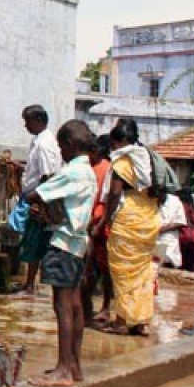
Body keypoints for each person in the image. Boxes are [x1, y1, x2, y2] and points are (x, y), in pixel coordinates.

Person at [24, 120, 98, 387]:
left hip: (64, 243)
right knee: (75, 303)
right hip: (78, 243)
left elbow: (35, 195)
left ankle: (63, 368)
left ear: (69, 145)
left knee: (62, 305)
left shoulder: (73, 172)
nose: (60, 153)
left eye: (61, 147)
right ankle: (74, 365)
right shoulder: (88, 170)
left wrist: (38, 201)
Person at [100, 118, 159, 336]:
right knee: (142, 273)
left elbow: (115, 193)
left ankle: (122, 321)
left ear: (119, 141)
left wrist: (106, 218)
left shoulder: (123, 162)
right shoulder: (149, 159)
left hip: (129, 218)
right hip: (149, 217)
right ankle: (141, 322)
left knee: (123, 272)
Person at [16, 105, 63, 296]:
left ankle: (30, 284)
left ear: (37, 120)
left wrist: (39, 202)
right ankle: (29, 282)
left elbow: (47, 175)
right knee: (32, 239)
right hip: (33, 194)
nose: (25, 125)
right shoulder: (39, 141)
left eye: (27, 121)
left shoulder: (44, 144)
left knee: (35, 241)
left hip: (38, 197)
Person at [82, 134, 114, 326]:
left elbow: (105, 200)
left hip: (99, 225)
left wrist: (96, 223)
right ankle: (93, 307)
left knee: (98, 269)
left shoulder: (106, 169)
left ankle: (103, 308)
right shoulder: (94, 168)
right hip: (94, 223)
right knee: (94, 269)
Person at [153, 193, 185, 272]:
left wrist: (163, 229)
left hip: (169, 237)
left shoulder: (175, 201)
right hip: (151, 237)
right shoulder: (149, 200)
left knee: (166, 259)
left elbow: (181, 222)